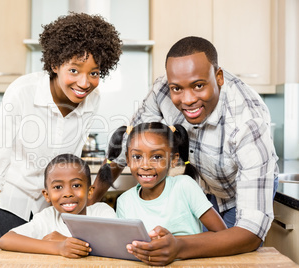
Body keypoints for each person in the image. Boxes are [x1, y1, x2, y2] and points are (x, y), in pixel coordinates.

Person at [91, 36, 279, 265]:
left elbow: (251, 232)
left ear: (218, 77)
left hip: (238, 196)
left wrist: (179, 246)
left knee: (229, 259)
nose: (187, 100)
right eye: (177, 89)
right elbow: (123, 152)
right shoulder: (162, 90)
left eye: (198, 85)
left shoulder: (247, 122)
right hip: (203, 186)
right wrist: (88, 206)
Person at [0, 13, 122, 253]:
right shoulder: (22, 92)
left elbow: (71, 157)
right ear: (55, 64)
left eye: (94, 73)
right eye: (74, 70)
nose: (84, 83)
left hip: (57, 208)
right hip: (13, 205)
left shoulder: (93, 100)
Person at [100, 122, 226, 238]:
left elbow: (221, 235)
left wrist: (177, 245)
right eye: (137, 156)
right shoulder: (124, 201)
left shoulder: (184, 186)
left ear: (173, 160)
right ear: (127, 159)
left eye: (156, 157)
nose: (145, 165)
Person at [0, 154, 116, 258]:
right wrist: (59, 247)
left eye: (76, 185)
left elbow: (117, 245)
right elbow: (6, 240)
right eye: (58, 187)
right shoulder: (47, 217)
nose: (68, 193)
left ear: (90, 191)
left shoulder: (102, 212)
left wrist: (64, 239)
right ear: (47, 195)